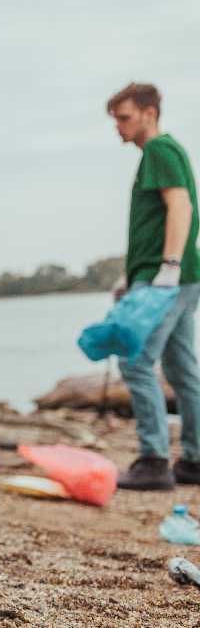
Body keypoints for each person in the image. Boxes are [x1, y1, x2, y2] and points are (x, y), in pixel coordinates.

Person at [106, 83, 200, 491]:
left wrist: (167, 268)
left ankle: (154, 461)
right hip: (170, 276)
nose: (119, 128)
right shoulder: (159, 154)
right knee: (182, 369)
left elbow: (180, 206)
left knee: (136, 362)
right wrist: (132, 275)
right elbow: (155, 223)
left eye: (124, 118)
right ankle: (195, 461)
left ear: (149, 112)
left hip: (169, 278)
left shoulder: (161, 150)